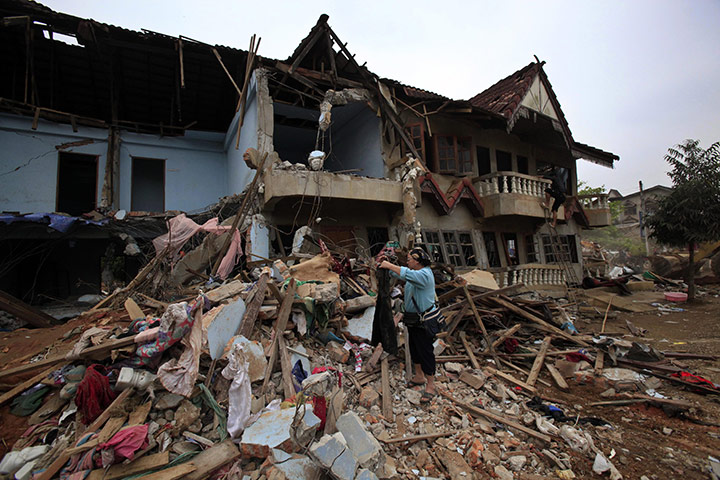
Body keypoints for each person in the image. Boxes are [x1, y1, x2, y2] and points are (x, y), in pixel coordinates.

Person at [378, 247, 437, 402]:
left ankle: (431, 385)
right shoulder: (414, 274)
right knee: (414, 349)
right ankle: (419, 376)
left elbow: (407, 273)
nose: (408, 261)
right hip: (412, 318)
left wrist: (390, 266)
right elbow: (400, 274)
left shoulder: (424, 274)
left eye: (410, 259)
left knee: (425, 351)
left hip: (424, 320)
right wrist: (385, 266)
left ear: (417, 261)